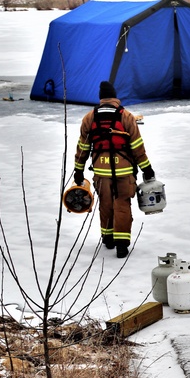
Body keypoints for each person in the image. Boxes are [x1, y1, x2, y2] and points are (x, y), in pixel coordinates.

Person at [73, 80, 156, 258]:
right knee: (123, 206)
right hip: (124, 172)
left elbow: (83, 148)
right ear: (115, 97)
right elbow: (137, 147)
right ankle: (122, 245)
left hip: (101, 174)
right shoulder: (126, 116)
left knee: (106, 205)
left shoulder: (89, 118)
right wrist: (147, 168)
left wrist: (78, 170)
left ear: (101, 98)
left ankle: (108, 238)